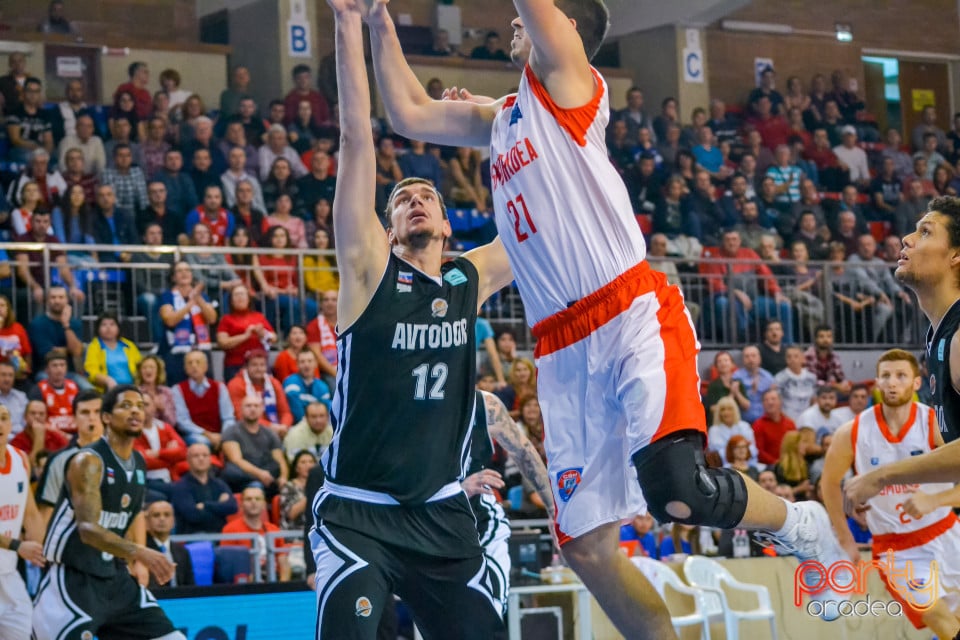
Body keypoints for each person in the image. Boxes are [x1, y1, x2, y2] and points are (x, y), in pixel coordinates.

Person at [365, 2, 848, 635]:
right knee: (586, 547)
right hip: (561, 350)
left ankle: (798, 524)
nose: (515, 23)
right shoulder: (505, 117)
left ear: (564, 31)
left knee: (677, 492)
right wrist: (373, 16)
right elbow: (407, 113)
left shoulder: (570, 82)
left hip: (628, 314)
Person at [311, 3, 516, 637]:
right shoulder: (369, 272)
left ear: (450, 224)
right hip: (357, 512)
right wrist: (355, 20)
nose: (414, 199)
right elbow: (356, 138)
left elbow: (542, 198)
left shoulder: (467, 278)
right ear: (389, 225)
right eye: (401, 199)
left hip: (440, 513)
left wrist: (486, 117)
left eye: (426, 193)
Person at [824, 350, 960, 636]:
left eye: (901, 376)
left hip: (946, 531)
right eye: (885, 376)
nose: (892, 383)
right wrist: (846, 539)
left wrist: (934, 499)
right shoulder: (852, 432)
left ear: (916, 383)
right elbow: (829, 483)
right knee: (940, 620)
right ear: (876, 382)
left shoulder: (935, 423)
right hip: (895, 549)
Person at [33, 385, 185, 640]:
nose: (135, 410)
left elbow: (133, 515)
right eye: (126, 406)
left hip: (116, 577)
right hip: (73, 578)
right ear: (106, 417)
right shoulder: (88, 461)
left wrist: (136, 560)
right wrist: (141, 552)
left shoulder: (138, 462)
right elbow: (88, 530)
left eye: (139, 405)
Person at [460, 390, 553, 615]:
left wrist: (554, 511)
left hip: (479, 522)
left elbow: (524, 451)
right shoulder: (411, 406)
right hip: (430, 521)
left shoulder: (483, 404)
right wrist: (457, 490)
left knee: (487, 615)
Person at [0, 403, 45, 640]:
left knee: (25, 632)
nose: (0, 424)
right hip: (13, 553)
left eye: (4, 417)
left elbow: (30, 514)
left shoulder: (20, 459)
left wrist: (47, 554)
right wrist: (19, 546)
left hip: (8, 574)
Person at [34, 390, 102, 528]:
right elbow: (47, 511)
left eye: (97, 411)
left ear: (107, 416)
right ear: (74, 418)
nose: (92, 418)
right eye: (85, 412)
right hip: (71, 540)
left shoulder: (120, 457)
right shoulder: (58, 461)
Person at [158, 261, 218, 385]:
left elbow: (212, 318)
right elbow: (170, 320)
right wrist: (190, 304)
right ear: (173, 277)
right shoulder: (167, 296)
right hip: (176, 352)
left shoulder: (202, 296)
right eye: (179, 271)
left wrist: (198, 298)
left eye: (187, 270)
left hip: (201, 350)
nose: (184, 273)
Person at [221, 484, 291, 581]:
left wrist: (282, 589)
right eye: (249, 499)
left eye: (258, 499)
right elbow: (228, 568)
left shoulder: (273, 529)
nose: (253, 502)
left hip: (274, 584)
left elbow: (284, 564)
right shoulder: (230, 530)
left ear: (264, 505)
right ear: (241, 505)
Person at [168, 443, 238, 535]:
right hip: (192, 538)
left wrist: (205, 505)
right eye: (196, 456)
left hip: (220, 536)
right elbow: (193, 516)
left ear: (210, 459)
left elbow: (232, 507)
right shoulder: (181, 487)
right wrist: (219, 506)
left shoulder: (219, 484)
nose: (201, 459)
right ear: (188, 460)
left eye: (205, 455)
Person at [171, 349, 235, 448]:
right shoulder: (177, 390)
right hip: (195, 435)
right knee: (202, 442)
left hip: (220, 434)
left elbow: (228, 417)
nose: (194, 366)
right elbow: (182, 422)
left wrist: (223, 436)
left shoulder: (219, 387)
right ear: (185, 368)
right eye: (190, 363)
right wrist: (207, 434)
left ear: (206, 366)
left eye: (198, 362)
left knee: (233, 440)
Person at [216, 286, 277, 382]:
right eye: (236, 295)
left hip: (258, 365)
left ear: (248, 299)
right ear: (231, 301)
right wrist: (245, 336)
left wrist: (263, 334)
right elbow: (222, 342)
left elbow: (273, 337)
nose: (240, 297)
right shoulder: (226, 319)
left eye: (242, 294)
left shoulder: (259, 316)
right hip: (235, 365)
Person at [84, 312, 143, 393]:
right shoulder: (94, 347)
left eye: (112, 324)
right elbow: (91, 372)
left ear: (118, 328)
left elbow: (140, 366)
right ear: (98, 329)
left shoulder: (129, 345)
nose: (108, 328)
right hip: (108, 390)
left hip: (132, 387)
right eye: (104, 325)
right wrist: (107, 380)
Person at [144, 501, 195, 589]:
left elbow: (190, 586)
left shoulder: (183, 551)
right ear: (147, 522)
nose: (162, 519)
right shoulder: (143, 551)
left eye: (167, 515)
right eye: (156, 515)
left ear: (173, 521)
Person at [282, 349, 331, 422]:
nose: (306, 365)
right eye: (302, 362)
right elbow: (296, 411)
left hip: (318, 425)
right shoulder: (291, 382)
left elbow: (324, 412)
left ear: (316, 364)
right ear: (297, 365)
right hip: (296, 427)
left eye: (310, 361)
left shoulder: (322, 386)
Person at [280, 450, 317, 531]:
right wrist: (310, 494)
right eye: (303, 462)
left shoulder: (322, 486)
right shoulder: (289, 487)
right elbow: (291, 514)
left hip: (316, 531)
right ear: (296, 468)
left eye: (311, 462)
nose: (308, 465)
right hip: (295, 532)